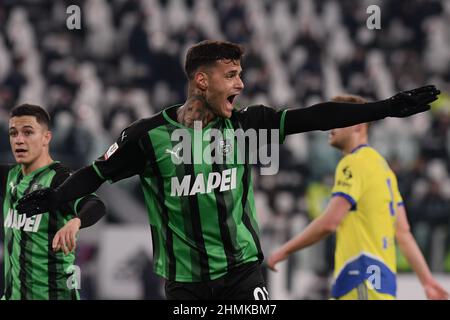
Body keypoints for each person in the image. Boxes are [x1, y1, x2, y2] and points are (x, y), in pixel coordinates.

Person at [17, 40, 440, 300]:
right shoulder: (147, 138)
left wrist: (385, 107)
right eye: (231, 75)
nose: (240, 85)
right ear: (202, 81)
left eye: (241, 75)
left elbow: (313, 116)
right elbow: (96, 173)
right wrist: (57, 197)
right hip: (184, 284)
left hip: (242, 272)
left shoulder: (245, 123)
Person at [267, 95, 449, 300]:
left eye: (338, 119)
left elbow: (330, 222)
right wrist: (428, 282)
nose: (330, 126)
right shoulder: (383, 168)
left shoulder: (353, 163)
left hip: (359, 276)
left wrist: (284, 250)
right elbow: (403, 232)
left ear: (358, 125)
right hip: (382, 282)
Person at [0, 104, 106, 300]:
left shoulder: (60, 179)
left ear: (46, 137)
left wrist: (75, 222)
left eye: (28, 132)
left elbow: (95, 204)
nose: (19, 140)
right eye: (13, 133)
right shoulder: (8, 176)